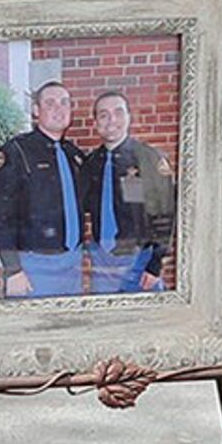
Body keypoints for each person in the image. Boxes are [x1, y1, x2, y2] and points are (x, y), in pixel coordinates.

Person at [0, 80, 93, 297]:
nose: (59, 109)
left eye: (64, 103)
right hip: (33, 267)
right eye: (50, 103)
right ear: (36, 110)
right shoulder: (16, 151)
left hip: (72, 265)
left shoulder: (76, 156)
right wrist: (13, 269)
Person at [78, 88, 174, 293]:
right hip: (102, 263)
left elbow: (166, 215)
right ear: (95, 123)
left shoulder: (149, 158)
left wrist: (155, 265)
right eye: (103, 115)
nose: (111, 120)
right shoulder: (90, 164)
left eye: (118, 112)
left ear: (129, 117)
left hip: (140, 263)